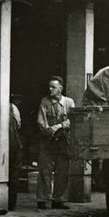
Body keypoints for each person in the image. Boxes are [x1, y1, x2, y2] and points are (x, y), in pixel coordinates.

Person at [36, 75, 75, 209]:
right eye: (49, 87)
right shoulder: (44, 102)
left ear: (60, 88)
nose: (50, 89)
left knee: (63, 170)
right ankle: (42, 199)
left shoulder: (69, 103)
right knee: (44, 169)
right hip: (48, 140)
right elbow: (41, 122)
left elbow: (72, 120)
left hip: (63, 140)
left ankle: (58, 200)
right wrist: (50, 131)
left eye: (53, 87)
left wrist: (59, 126)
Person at [8, 99, 23, 211]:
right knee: (13, 174)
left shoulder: (13, 107)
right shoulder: (13, 108)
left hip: (12, 145)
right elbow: (18, 124)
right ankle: (11, 204)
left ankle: (10, 203)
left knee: (13, 174)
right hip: (14, 144)